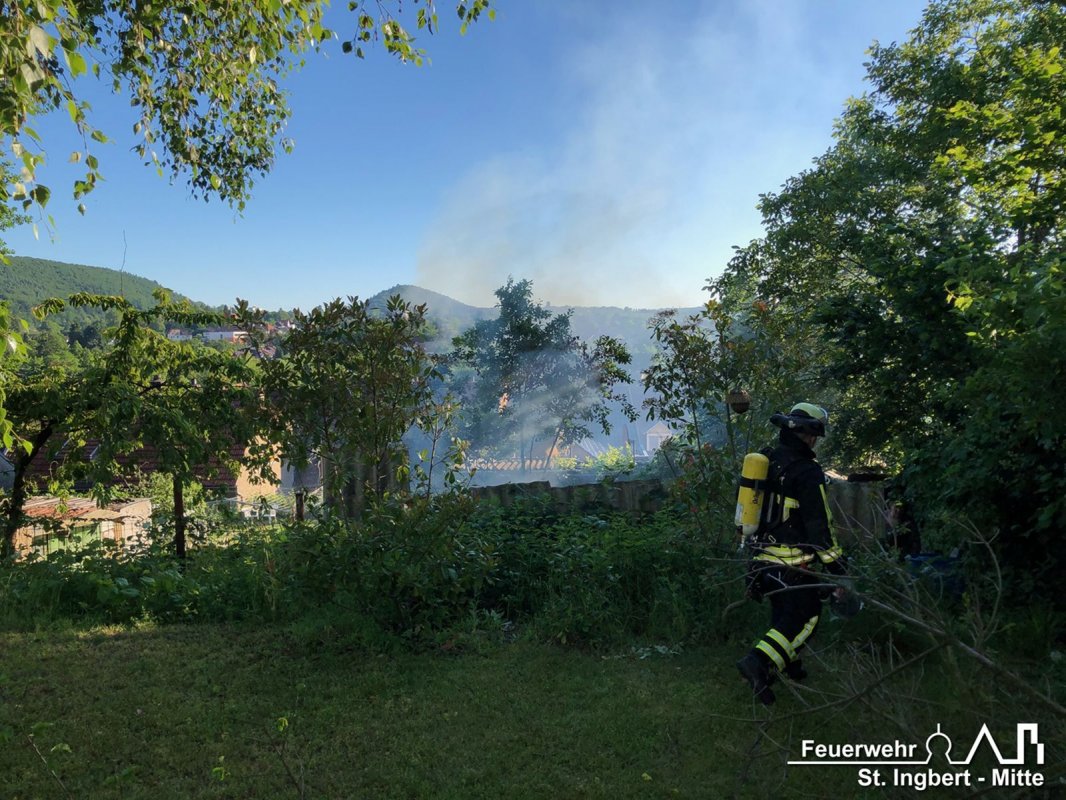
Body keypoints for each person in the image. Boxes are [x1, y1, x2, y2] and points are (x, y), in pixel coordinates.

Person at [736, 402, 849, 705]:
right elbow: (819, 525)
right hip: (792, 562)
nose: (814, 441)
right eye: (813, 435)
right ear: (806, 434)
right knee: (806, 617)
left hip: (761, 561)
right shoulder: (806, 472)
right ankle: (757, 661)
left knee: (783, 617)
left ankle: (790, 665)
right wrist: (840, 569)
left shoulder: (768, 460)